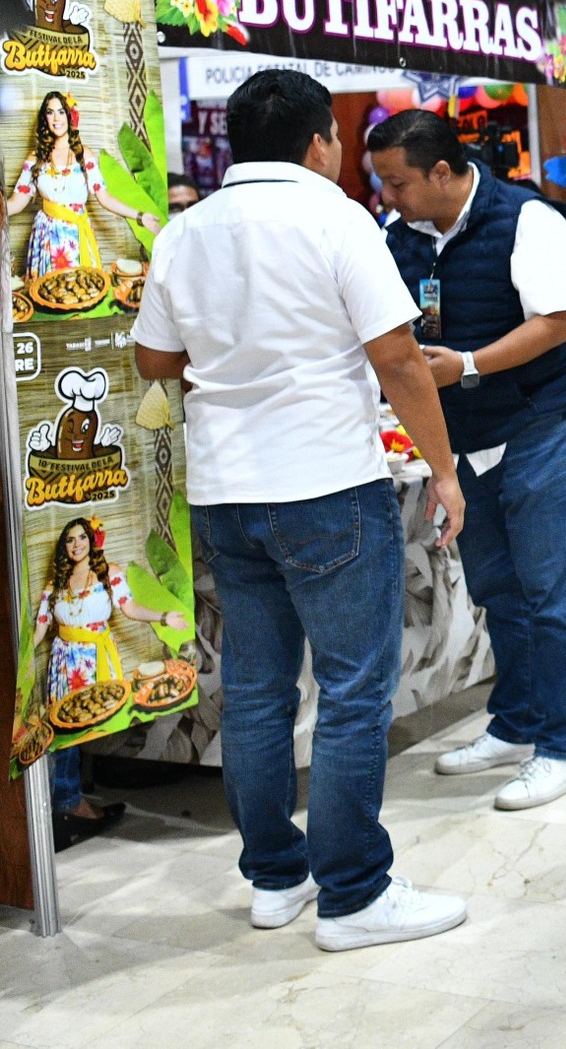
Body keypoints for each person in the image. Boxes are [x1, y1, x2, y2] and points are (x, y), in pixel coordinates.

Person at [132, 67, 468, 951]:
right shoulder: (335, 217)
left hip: (226, 490)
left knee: (254, 691)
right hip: (323, 482)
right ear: (320, 140)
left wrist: (233, 353)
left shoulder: (185, 228)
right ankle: (354, 893)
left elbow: (154, 363)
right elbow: (398, 359)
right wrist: (443, 470)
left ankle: (276, 878)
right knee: (356, 691)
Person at [370, 110, 566, 811]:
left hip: (541, 423)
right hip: (462, 438)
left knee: (552, 594)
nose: (389, 197)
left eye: (397, 182)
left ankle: (564, 747)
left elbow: (559, 319)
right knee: (496, 586)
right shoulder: (396, 237)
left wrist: (466, 363)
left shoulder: (529, 219)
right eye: (380, 183)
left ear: (442, 171)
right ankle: (516, 724)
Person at [32, 515, 188, 850]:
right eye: (70, 540)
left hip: (95, 660)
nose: (77, 545)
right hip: (64, 661)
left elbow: (129, 607)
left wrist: (164, 617)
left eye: (82, 538)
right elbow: (42, 625)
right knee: (64, 734)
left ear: (92, 540)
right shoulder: (55, 583)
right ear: (64, 546)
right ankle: (68, 803)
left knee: (94, 728)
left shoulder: (109, 574)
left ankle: (71, 802)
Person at [8, 88, 160, 276]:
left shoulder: (83, 155)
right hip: (47, 239)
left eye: (61, 112)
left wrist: (139, 216)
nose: (56, 119)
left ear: (70, 116)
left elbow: (105, 198)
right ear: (44, 119)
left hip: (77, 239)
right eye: (50, 112)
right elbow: (15, 203)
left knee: (82, 291)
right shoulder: (35, 158)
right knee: (48, 297)